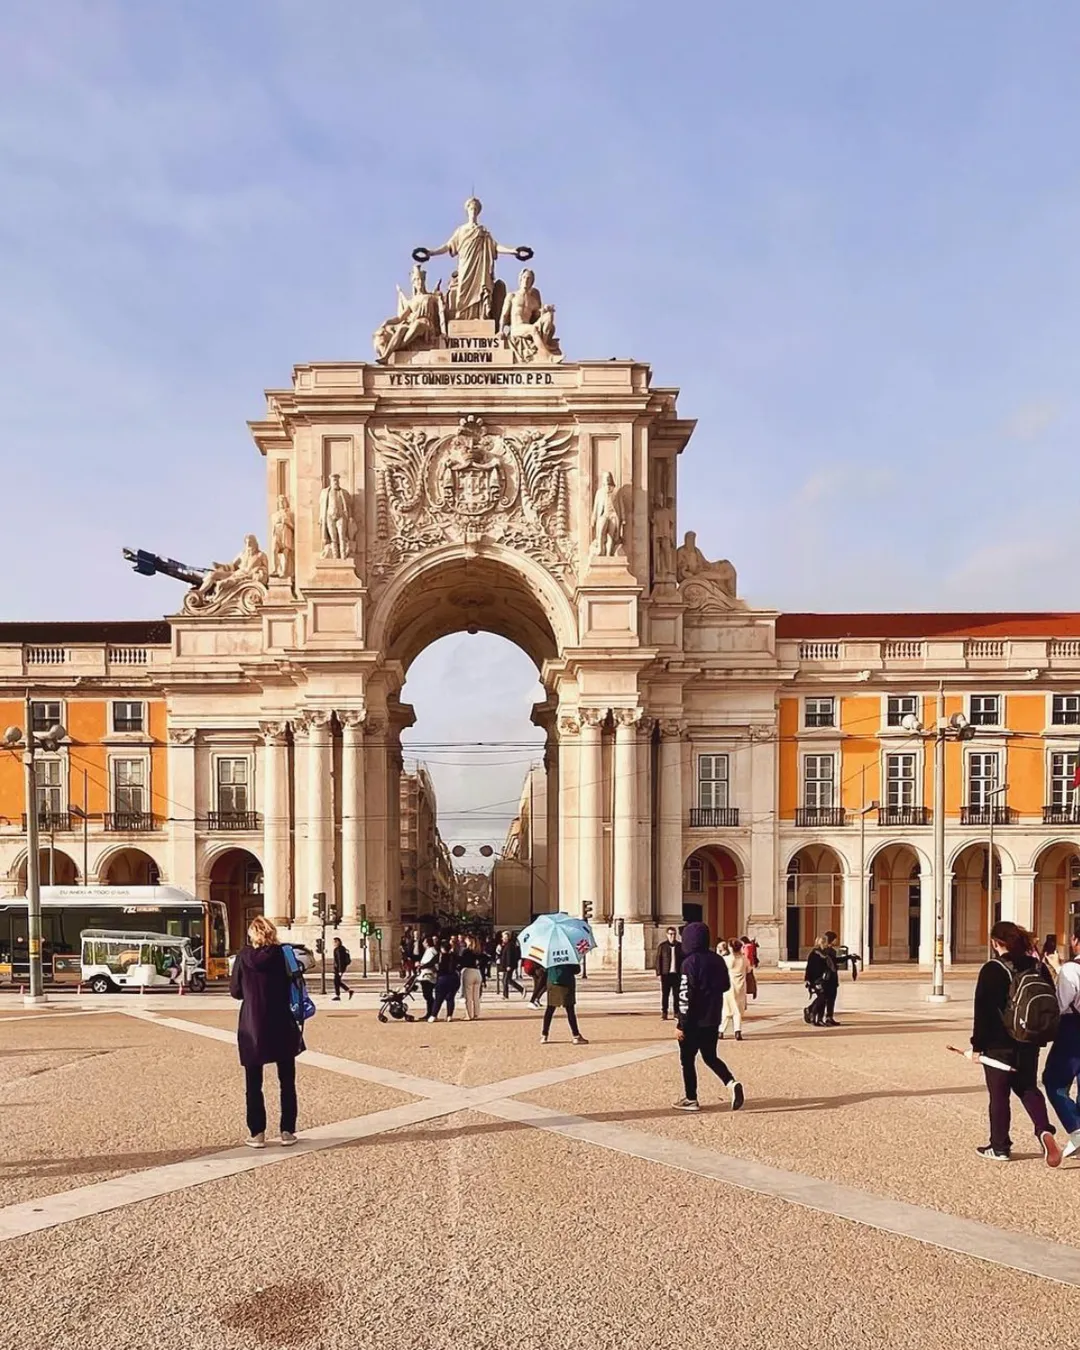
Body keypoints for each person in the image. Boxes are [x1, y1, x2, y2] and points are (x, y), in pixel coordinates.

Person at [970, 920, 1061, 1165]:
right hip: (1029, 1040)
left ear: (995, 943)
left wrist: (977, 1046)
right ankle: (1044, 1130)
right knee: (1028, 1087)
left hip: (999, 1044)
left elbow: (984, 1011)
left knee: (998, 1095)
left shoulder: (992, 969)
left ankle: (999, 1146)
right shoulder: (1037, 967)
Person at [229, 916, 302, 1148]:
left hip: (253, 1023)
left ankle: (257, 1133)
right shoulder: (284, 955)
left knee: (253, 1082)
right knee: (287, 1080)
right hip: (281, 1021)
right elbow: (296, 983)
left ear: (252, 934)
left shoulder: (243, 957)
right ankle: (287, 1131)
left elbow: (235, 991)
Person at [674, 921, 744, 1113]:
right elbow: (725, 986)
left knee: (687, 1060)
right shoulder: (717, 960)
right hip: (713, 1018)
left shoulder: (689, 963)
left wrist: (681, 1023)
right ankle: (731, 1082)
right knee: (710, 1056)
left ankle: (691, 1098)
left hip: (693, 1021)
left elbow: (685, 996)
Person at [1043, 926, 1080, 1158]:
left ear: (1075, 940)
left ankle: (1076, 1128)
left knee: (1053, 1081)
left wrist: (1058, 971)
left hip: (1074, 1030)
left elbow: (1061, 1004)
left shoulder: (1071, 969)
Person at [541, 962, 587, 1044]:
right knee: (570, 1011)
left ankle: (544, 1035)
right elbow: (577, 970)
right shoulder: (569, 955)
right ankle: (576, 1035)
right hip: (567, 984)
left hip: (552, 982)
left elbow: (545, 969)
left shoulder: (551, 955)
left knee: (550, 1010)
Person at [804, 935, 838, 1027]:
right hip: (816, 980)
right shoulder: (814, 954)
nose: (827, 944)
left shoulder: (825, 954)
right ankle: (811, 1012)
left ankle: (819, 1019)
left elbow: (832, 964)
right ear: (822, 943)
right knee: (822, 998)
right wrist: (807, 980)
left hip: (824, 980)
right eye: (826, 942)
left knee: (823, 1000)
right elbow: (809, 968)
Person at [721, 938, 749, 1041]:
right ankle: (737, 1031)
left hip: (728, 988)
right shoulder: (744, 959)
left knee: (727, 1010)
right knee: (738, 1010)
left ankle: (721, 1031)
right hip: (740, 987)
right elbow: (749, 970)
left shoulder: (726, 959)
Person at [655, 925, 683, 1021]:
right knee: (665, 994)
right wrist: (658, 973)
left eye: (674, 934)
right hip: (666, 974)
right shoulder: (662, 946)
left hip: (676, 974)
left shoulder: (680, 946)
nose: (672, 936)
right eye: (670, 934)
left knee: (676, 995)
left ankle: (676, 1013)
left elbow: (683, 961)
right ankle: (664, 1012)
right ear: (667, 935)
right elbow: (658, 960)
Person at [428, 940, 460, 1022]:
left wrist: (421, 966)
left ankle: (433, 1015)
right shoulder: (453, 956)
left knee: (438, 998)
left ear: (442, 948)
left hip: (442, 978)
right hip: (453, 978)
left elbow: (429, 964)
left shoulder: (439, 956)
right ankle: (449, 1016)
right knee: (450, 998)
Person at [459, 935, 484, 1020]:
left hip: (468, 971)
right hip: (477, 972)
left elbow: (462, 962)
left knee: (468, 996)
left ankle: (469, 1015)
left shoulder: (466, 951)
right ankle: (476, 1014)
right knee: (476, 997)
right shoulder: (478, 951)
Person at [822, 931, 842, 1024]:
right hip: (829, 978)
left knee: (829, 998)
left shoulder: (826, 950)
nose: (837, 940)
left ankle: (829, 1017)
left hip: (829, 978)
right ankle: (811, 1011)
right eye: (835, 938)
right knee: (828, 998)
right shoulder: (828, 951)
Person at [497, 930, 524, 999]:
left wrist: (509, 965)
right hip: (505, 965)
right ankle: (519, 990)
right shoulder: (506, 945)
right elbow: (502, 954)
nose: (503, 939)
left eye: (504, 937)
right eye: (503, 937)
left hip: (508, 965)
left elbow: (509, 956)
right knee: (506, 980)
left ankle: (506, 995)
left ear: (508, 938)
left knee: (506, 980)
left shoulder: (510, 945)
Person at [417, 935, 439, 1020]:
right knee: (427, 995)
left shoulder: (431, 951)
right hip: (425, 974)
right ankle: (430, 1012)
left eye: (424, 942)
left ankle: (432, 1012)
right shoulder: (429, 950)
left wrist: (422, 966)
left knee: (428, 995)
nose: (423, 943)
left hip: (428, 975)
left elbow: (431, 963)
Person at [331, 936, 354, 1002]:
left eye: (335, 942)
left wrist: (340, 970)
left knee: (336, 981)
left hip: (339, 968)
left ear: (338, 942)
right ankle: (348, 991)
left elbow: (340, 960)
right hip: (339, 968)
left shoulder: (339, 949)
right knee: (337, 981)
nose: (334, 943)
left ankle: (338, 995)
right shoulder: (341, 948)